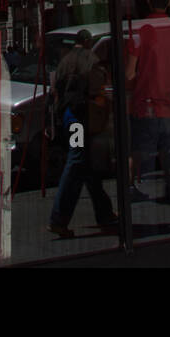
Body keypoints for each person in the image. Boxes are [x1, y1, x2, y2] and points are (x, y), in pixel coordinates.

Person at [48, 29, 118, 240]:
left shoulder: (65, 61)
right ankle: (58, 219)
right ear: (88, 42)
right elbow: (97, 93)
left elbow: (55, 91)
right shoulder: (90, 60)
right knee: (78, 159)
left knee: (88, 165)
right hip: (82, 118)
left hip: (69, 117)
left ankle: (104, 213)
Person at [125, 0, 170, 205]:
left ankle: (131, 186)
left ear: (149, 2)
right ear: (169, 2)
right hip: (167, 104)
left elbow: (129, 73)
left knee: (137, 149)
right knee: (168, 149)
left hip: (145, 102)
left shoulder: (139, 30)